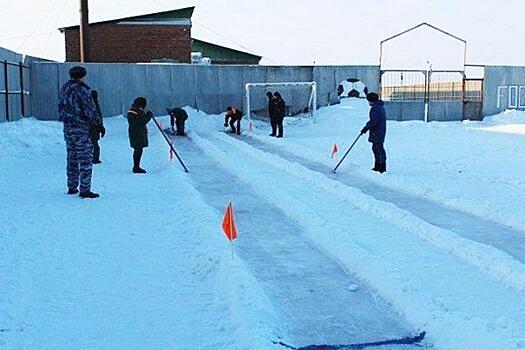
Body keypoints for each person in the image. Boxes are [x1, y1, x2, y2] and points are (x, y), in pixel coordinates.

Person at [58, 66, 104, 199]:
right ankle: (85, 189)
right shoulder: (83, 89)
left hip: (68, 127)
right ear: (82, 76)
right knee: (85, 158)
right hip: (81, 127)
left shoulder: (64, 88)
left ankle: (72, 186)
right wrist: (98, 123)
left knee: (71, 157)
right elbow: (89, 109)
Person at [360, 92, 387, 173]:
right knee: (376, 148)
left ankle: (381, 167)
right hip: (380, 131)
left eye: (368, 101)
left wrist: (365, 129)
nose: (368, 102)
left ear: (372, 100)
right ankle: (378, 166)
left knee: (378, 149)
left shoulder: (375, 108)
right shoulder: (380, 107)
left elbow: (373, 121)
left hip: (377, 132)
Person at [127, 97, 152, 173]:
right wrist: (149, 116)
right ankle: (136, 167)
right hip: (138, 133)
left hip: (135, 133)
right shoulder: (137, 111)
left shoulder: (133, 110)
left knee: (138, 150)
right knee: (138, 150)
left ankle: (136, 166)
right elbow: (142, 121)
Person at [89, 90, 105, 164]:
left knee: (92, 143)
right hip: (93, 127)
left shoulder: (91, 103)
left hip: (92, 127)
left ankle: (93, 157)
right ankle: (95, 158)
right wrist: (100, 127)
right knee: (94, 143)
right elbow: (97, 116)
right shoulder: (93, 104)